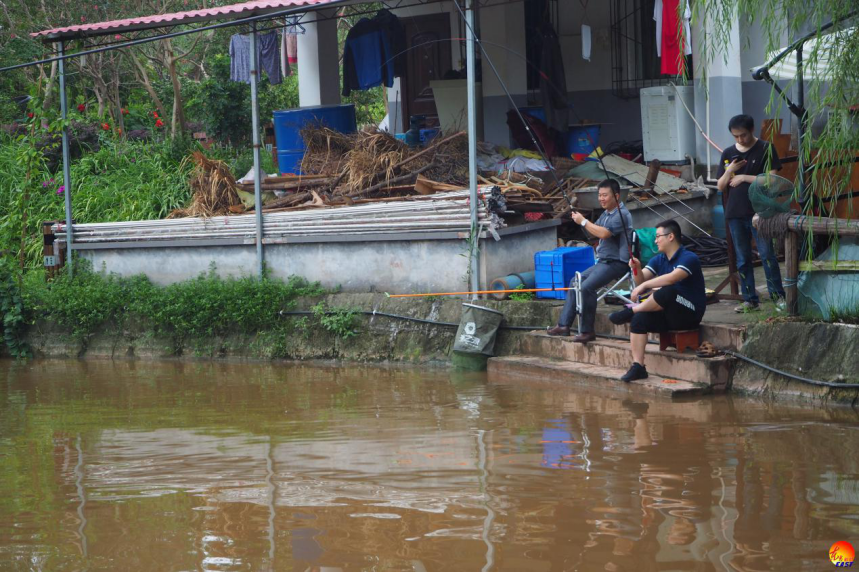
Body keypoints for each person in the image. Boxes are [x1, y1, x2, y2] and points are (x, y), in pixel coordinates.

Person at [608, 219, 706, 382]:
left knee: (667, 290)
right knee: (639, 320)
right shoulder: (659, 259)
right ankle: (638, 366)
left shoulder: (689, 258)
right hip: (668, 314)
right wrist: (636, 268)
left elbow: (672, 278)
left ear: (670, 236)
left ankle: (631, 311)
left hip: (689, 313)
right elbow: (641, 281)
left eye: (658, 236)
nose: (655, 241)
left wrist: (645, 286)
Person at [547, 179, 633, 343]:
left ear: (616, 196)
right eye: (599, 195)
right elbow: (593, 232)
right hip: (603, 262)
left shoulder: (622, 215)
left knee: (586, 287)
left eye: (605, 195)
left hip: (617, 263)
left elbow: (604, 234)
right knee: (575, 281)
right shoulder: (606, 214)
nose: (601, 199)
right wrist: (579, 220)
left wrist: (584, 221)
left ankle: (587, 331)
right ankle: (563, 325)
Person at [716, 114, 786, 312]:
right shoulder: (728, 153)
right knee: (743, 258)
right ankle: (749, 299)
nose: (740, 139)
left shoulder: (766, 148)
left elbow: (771, 180)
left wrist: (744, 177)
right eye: (736, 136)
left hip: (760, 211)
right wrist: (730, 170)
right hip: (735, 212)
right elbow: (720, 186)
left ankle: (778, 296)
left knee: (767, 255)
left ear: (752, 130)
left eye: (743, 135)